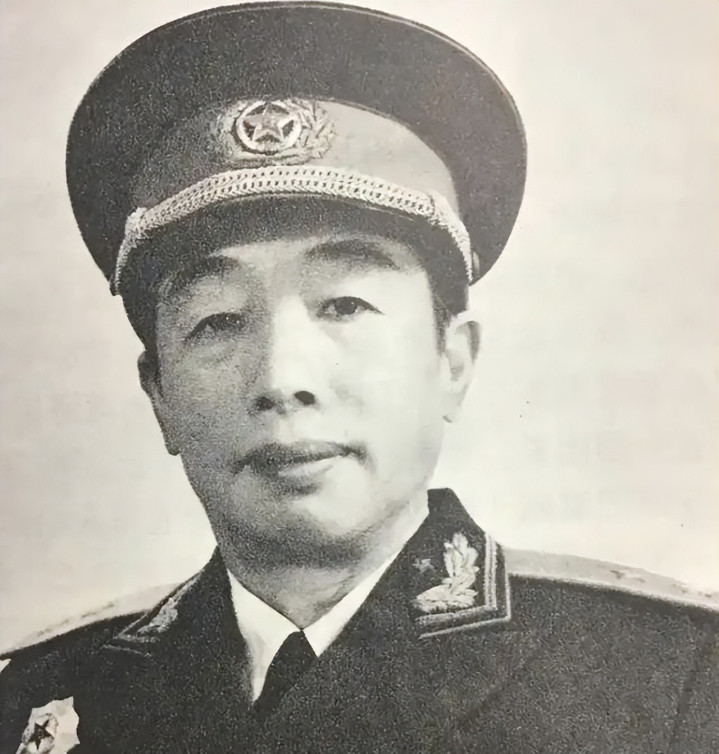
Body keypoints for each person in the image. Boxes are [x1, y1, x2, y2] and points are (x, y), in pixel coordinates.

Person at [1, 3, 716, 752]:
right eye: (217, 321)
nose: (282, 379)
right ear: (159, 398)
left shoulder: (667, 682)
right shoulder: (45, 697)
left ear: (452, 361)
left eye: (343, 306)